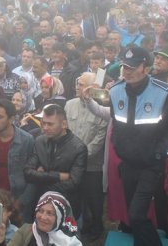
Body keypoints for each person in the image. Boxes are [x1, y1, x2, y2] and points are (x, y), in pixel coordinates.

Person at [109, 46, 168, 246]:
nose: (127, 70)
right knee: (132, 215)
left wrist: (161, 152)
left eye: (133, 66)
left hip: (151, 165)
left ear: (146, 67)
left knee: (136, 214)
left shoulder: (163, 93)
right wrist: (118, 145)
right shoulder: (115, 91)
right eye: (124, 66)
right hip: (127, 165)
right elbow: (115, 124)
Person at [64, 72, 109, 242]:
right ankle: (73, 227)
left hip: (92, 166)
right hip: (71, 165)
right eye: (77, 83)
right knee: (74, 199)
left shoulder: (101, 108)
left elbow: (99, 138)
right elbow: (65, 131)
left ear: (92, 87)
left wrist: (79, 157)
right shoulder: (69, 105)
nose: (77, 87)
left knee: (93, 201)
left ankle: (96, 228)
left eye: (82, 84)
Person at [24, 104, 88, 219]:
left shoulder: (78, 148)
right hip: (41, 205)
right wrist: (57, 175)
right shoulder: (39, 141)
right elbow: (28, 173)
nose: (45, 128)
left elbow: (73, 183)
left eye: (50, 124)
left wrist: (41, 176)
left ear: (63, 124)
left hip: (66, 205)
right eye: (43, 123)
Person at [0, 99, 35, 220]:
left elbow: (34, 176)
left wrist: (21, 202)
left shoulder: (26, 140)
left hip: (17, 201)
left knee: (16, 236)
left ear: (11, 119)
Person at [2, 191, 82, 246]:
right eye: (40, 211)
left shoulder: (70, 242)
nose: (43, 217)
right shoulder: (26, 230)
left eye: (50, 213)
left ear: (60, 219)